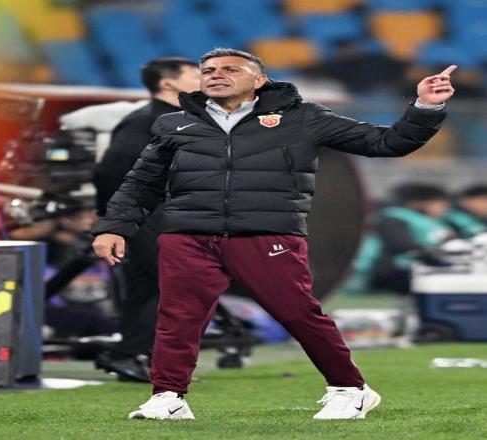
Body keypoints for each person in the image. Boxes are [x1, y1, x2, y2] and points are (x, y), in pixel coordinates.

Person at [91, 48, 456, 420]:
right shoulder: (175, 123)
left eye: (231, 69)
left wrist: (425, 108)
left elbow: (387, 142)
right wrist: (114, 226)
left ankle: (351, 389)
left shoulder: (303, 118)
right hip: (189, 235)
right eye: (209, 70)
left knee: (298, 313)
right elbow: (142, 182)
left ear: (259, 80)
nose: (216, 74)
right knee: (177, 319)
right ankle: (168, 396)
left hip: (266, 234)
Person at [93, 58, 200, 381]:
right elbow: (110, 172)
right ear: (168, 83)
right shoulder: (147, 121)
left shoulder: (178, 118)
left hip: (159, 213)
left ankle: (131, 355)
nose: (204, 80)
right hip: (147, 215)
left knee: (148, 284)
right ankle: (135, 353)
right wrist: (116, 221)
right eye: (195, 75)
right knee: (180, 280)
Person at [369, 184, 456, 294]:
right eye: (440, 204)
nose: (445, 209)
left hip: (423, 269)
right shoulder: (394, 218)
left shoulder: (437, 222)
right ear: (418, 203)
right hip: (397, 270)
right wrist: (430, 254)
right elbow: (401, 245)